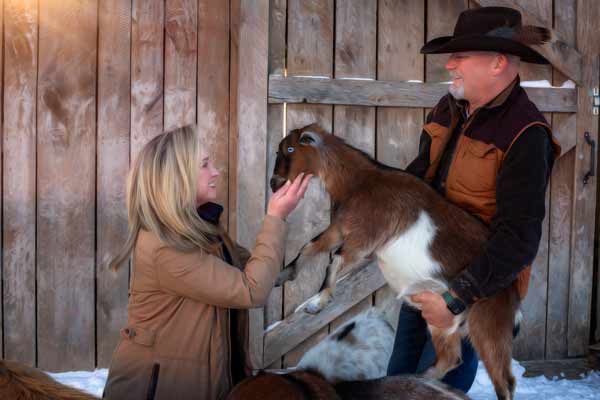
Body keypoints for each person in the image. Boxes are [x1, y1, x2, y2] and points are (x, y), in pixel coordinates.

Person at [386, 7, 561, 393]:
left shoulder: (526, 134)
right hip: (424, 271)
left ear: (498, 62)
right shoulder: (448, 109)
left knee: (435, 392)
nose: (450, 65)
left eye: (460, 56)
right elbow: (418, 181)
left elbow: (518, 240)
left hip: (474, 293)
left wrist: (455, 299)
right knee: (396, 383)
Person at [102, 125, 312, 400]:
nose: (216, 171)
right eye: (204, 165)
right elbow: (251, 289)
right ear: (178, 177)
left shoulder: (202, 227)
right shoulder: (165, 246)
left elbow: (253, 269)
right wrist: (275, 218)